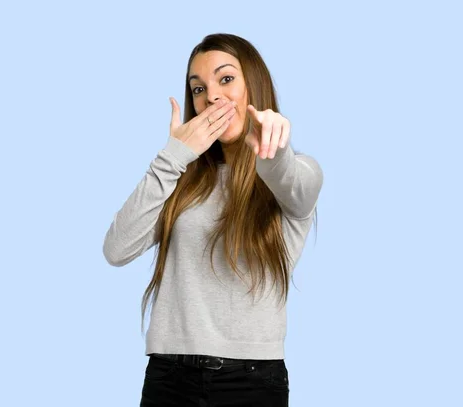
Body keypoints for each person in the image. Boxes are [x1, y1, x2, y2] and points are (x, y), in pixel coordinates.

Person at [102, 33, 324, 407]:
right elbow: (116, 249)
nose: (212, 97)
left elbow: (291, 181)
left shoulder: (298, 171)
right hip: (168, 375)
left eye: (226, 79)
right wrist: (173, 156)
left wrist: (273, 151)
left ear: (254, 83)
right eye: (198, 88)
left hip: (251, 380)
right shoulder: (183, 181)